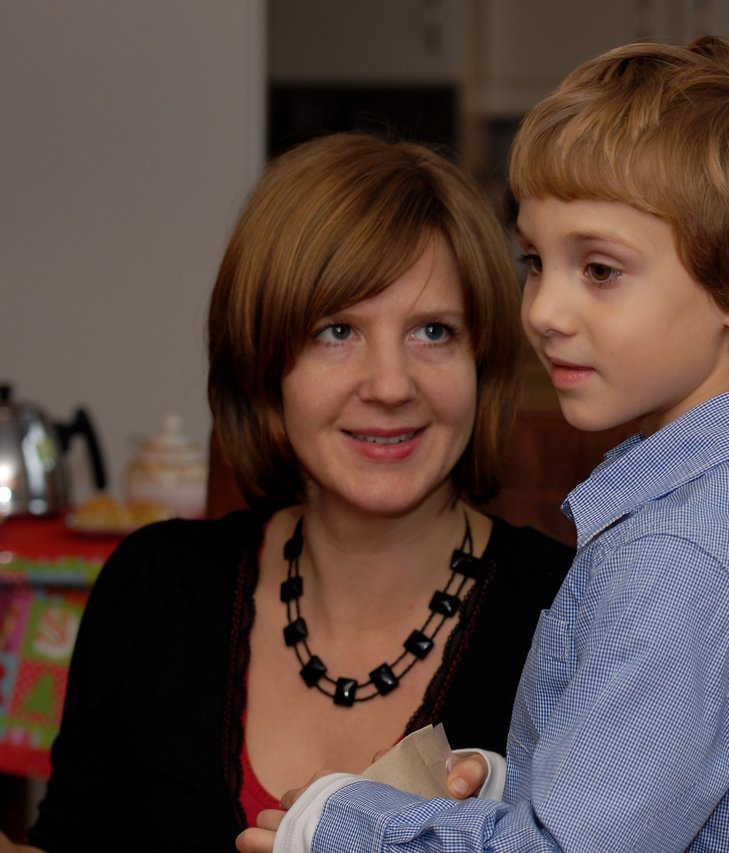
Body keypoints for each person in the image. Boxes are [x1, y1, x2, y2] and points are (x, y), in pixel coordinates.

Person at [242, 36, 729, 852]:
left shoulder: (683, 556)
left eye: (598, 269)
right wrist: (511, 783)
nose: (543, 311)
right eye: (535, 261)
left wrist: (336, 822)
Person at [4, 132, 573, 853]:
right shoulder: (155, 585)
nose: (391, 385)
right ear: (263, 363)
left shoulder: (568, 613)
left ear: (482, 361)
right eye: (337, 331)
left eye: (433, 331)